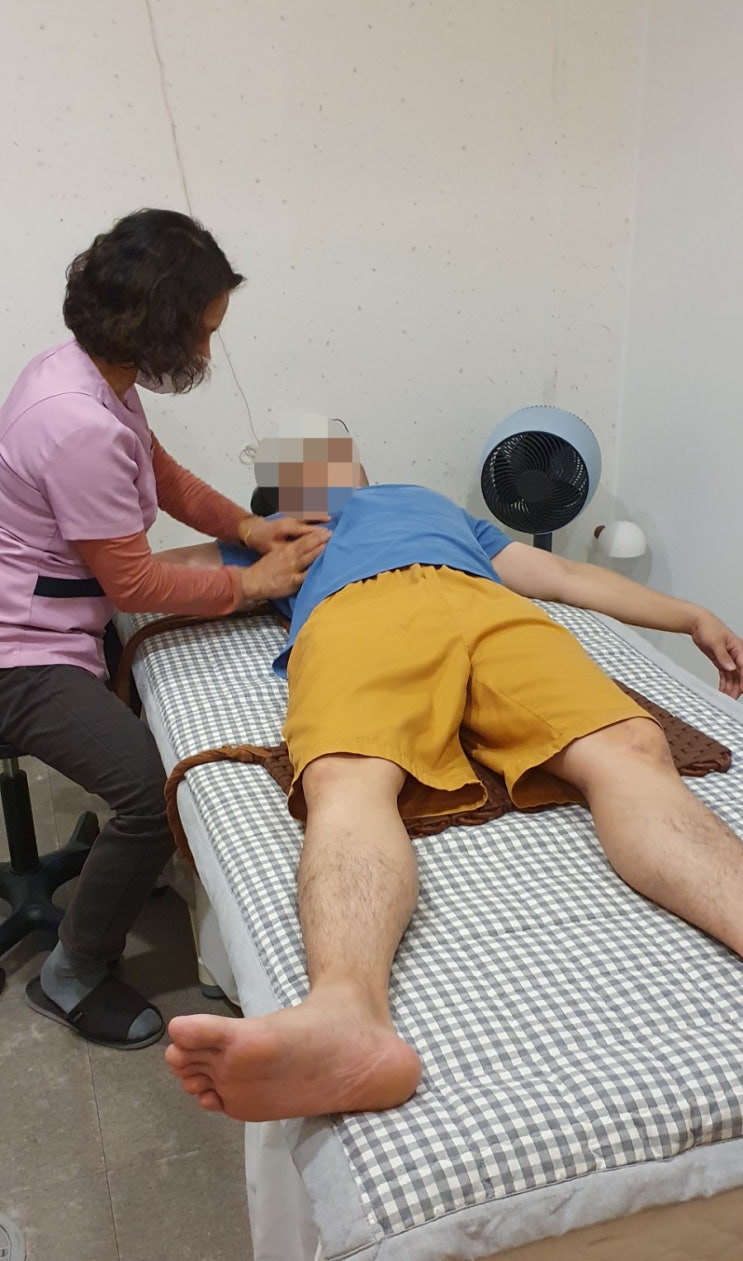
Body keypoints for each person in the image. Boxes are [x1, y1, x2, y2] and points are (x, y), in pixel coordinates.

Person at [165, 440, 743, 1120]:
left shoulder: (428, 504)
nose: (322, 462)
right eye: (300, 467)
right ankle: (346, 1018)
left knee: (630, 747)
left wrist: (689, 614)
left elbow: (562, 575)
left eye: (331, 454)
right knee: (347, 776)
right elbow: (151, 574)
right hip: (354, 614)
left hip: (487, 606)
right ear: (282, 496)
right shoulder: (279, 533)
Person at [0, 210, 327, 1049]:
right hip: (18, 652)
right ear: (156, 324)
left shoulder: (89, 375)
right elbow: (136, 583)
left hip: (57, 612)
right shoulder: (73, 422)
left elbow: (161, 472)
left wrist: (249, 528)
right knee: (150, 796)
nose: (209, 353)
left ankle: (122, 873)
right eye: (204, 333)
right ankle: (72, 974)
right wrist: (250, 582)